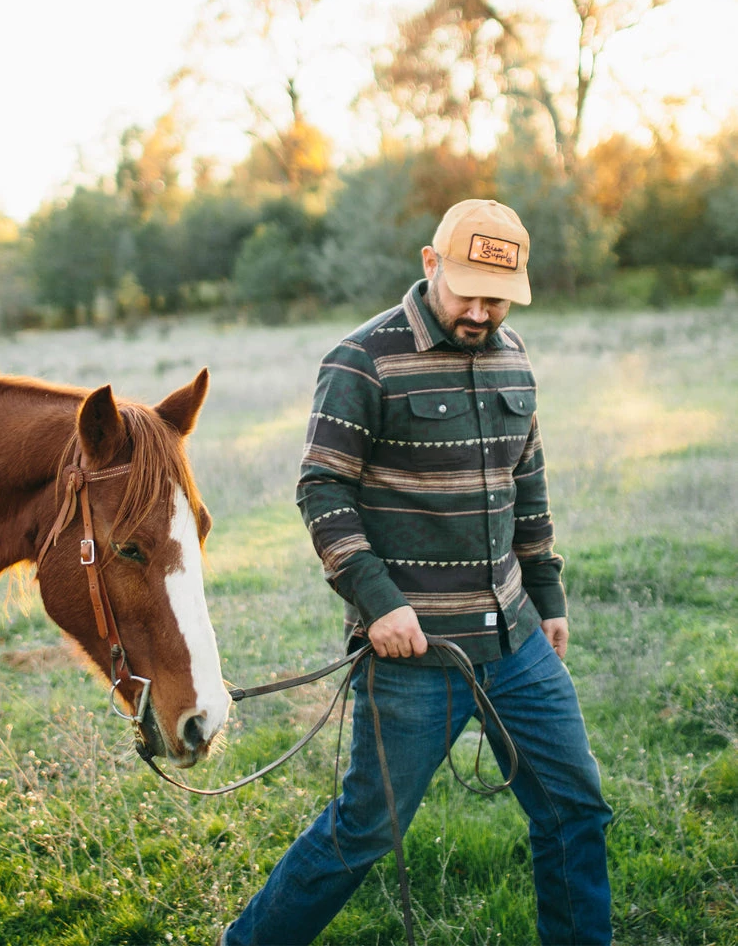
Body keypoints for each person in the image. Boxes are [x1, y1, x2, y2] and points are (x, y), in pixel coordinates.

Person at [220, 199, 613, 946]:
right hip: (411, 655)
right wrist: (378, 603)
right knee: (364, 831)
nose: (478, 309)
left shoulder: (514, 356)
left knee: (575, 810)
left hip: (516, 642)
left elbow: (524, 484)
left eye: (496, 297)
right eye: (465, 289)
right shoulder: (360, 359)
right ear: (430, 263)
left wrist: (547, 595)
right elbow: (321, 489)